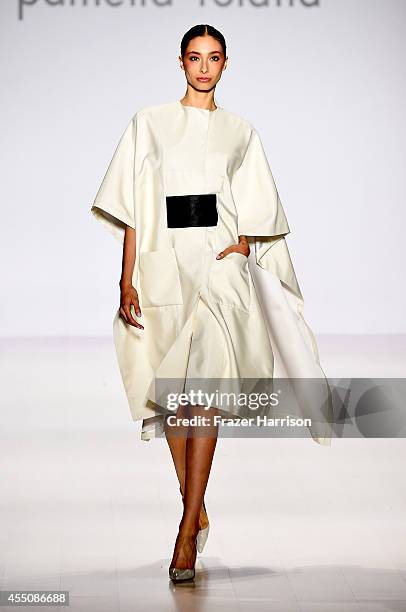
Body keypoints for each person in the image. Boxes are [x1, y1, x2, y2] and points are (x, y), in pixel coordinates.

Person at [90, 24, 333, 583]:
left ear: (226, 64)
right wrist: (124, 280)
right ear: (180, 62)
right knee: (174, 401)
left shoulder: (241, 132)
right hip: (163, 265)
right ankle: (195, 508)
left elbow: (260, 207)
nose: (204, 67)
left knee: (203, 397)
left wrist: (245, 242)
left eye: (214, 57)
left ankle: (183, 533)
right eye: (195, 57)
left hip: (221, 275)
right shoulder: (147, 123)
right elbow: (132, 208)